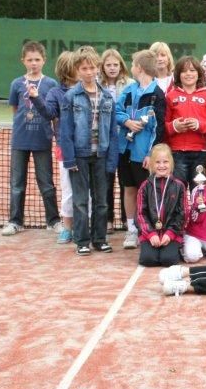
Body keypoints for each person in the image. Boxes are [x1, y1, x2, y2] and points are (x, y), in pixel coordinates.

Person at [59, 47, 119, 255]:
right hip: (79, 156)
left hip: (101, 155)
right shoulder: (70, 97)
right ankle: (82, 241)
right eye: (84, 68)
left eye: (92, 68)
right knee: (80, 201)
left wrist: (112, 160)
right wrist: (69, 159)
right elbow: (65, 131)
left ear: (98, 69)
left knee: (101, 201)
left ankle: (99, 239)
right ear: (77, 70)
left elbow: (112, 132)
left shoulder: (107, 97)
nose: (89, 72)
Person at [2, 41, 61, 236]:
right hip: (20, 141)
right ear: (23, 61)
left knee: (46, 183)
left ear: (44, 60)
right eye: (29, 60)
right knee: (17, 184)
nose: (33, 63)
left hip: (42, 140)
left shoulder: (51, 84)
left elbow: (53, 113)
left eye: (37, 59)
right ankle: (15, 221)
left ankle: (53, 221)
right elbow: (15, 109)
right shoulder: (16, 84)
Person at [115, 50, 166, 249]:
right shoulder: (128, 90)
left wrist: (150, 154)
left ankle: (148, 230)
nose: (131, 68)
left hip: (143, 154)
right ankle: (131, 230)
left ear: (139, 68)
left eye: (133, 64)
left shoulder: (158, 94)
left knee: (147, 193)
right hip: (125, 151)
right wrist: (127, 121)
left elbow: (158, 128)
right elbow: (116, 111)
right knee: (129, 189)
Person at [31, 51, 75, 243]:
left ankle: (86, 227)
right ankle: (67, 228)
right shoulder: (55, 93)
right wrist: (36, 98)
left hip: (88, 148)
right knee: (68, 191)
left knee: (89, 192)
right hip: (65, 149)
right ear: (69, 69)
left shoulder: (89, 90)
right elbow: (49, 113)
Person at [164, 56, 206, 187]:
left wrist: (198, 125)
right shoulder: (170, 96)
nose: (188, 74)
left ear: (199, 73)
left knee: (199, 191)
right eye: (184, 71)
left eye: (192, 70)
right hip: (176, 152)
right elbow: (162, 125)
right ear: (178, 74)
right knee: (177, 191)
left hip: (200, 153)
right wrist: (174, 126)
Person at [99, 48, 133, 233]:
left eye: (115, 64)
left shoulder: (130, 84)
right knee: (106, 181)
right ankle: (107, 219)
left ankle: (127, 219)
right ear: (103, 67)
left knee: (126, 181)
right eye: (108, 65)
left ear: (121, 65)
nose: (112, 68)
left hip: (126, 140)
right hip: (104, 140)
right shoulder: (96, 84)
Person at [136, 144, 187, 267]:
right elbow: (140, 213)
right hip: (150, 233)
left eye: (165, 162)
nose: (162, 165)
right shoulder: (145, 186)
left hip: (171, 233)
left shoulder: (179, 186)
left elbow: (182, 213)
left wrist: (170, 233)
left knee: (169, 260)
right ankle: (151, 248)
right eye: (157, 162)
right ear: (152, 164)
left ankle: (173, 248)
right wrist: (151, 234)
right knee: (148, 260)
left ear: (171, 163)